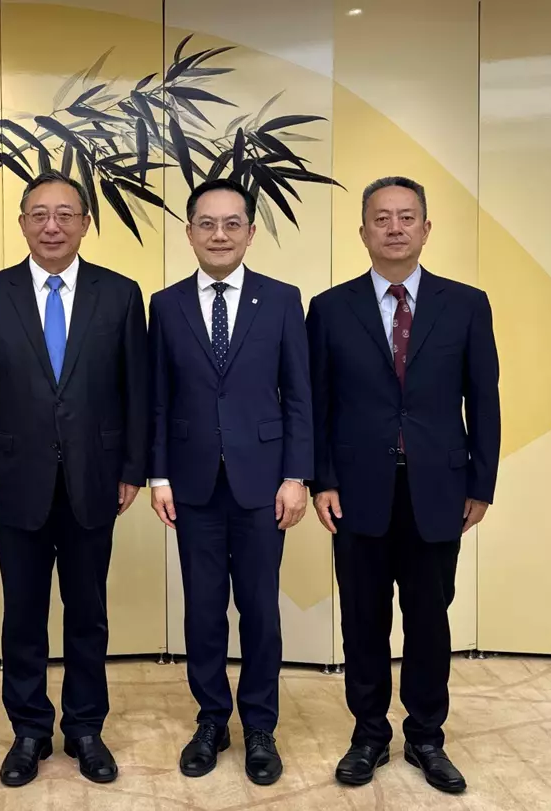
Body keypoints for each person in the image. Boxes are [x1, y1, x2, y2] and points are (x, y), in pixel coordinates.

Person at [307, 176, 500, 794]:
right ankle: (368, 734)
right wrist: (322, 480)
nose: (394, 227)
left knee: (429, 619)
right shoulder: (329, 308)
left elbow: (484, 400)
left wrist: (482, 482)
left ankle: (425, 736)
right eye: (381, 217)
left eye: (406, 216)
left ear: (425, 228)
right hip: (356, 491)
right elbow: (317, 405)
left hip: (438, 490)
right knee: (363, 621)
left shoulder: (466, 304)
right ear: (363, 231)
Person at [0, 171, 148, 787]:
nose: (52, 226)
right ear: (21, 223)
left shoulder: (120, 294)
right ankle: (29, 730)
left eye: (66, 214)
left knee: (88, 610)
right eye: (39, 214)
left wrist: (132, 468)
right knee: (22, 612)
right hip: (15, 478)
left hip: (96, 476)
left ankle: (86, 727)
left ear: (85, 223)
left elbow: (136, 389)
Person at [148, 178, 311, 784]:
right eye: (207, 224)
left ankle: (260, 726)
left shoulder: (282, 300)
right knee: (203, 608)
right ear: (190, 232)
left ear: (249, 231)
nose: (219, 235)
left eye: (232, 224)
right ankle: (211, 720)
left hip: (264, 483)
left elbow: (299, 395)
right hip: (192, 483)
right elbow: (158, 400)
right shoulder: (166, 305)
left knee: (261, 609)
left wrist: (297, 474)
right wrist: (158, 474)